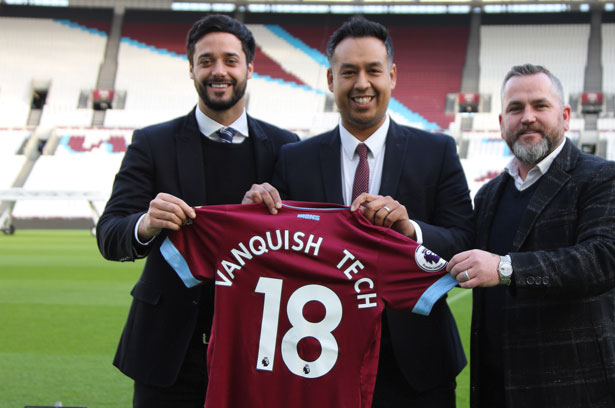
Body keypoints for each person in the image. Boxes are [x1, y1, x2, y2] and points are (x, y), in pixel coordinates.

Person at [244, 16, 473, 408]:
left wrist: (411, 231)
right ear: (331, 80)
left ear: (393, 75)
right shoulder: (295, 159)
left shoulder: (437, 152)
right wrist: (254, 217)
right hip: (317, 356)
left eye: (373, 70)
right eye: (348, 72)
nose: (362, 83)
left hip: (416, 363)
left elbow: (465, 240)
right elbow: (275, 251)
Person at [96, 14, 298, 408]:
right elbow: (110, 233)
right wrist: (147, 224)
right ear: (191, 68)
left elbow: (306, 239)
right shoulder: (152, 143)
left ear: (250, 68)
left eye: (230, 60)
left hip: (258, 346)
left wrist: (278, 211)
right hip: (170, 349)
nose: (218, 71)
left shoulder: (285, 147)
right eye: (206, 61)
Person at [446, 64, 615, 407]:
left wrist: (506, 269)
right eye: (515, 108)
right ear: (501, 122)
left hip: (575, 392)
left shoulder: (605, 178)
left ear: (565, 116)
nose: (527, 117)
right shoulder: (489, 194)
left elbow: (603, 260)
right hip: (496, 389)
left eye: (540, 106)